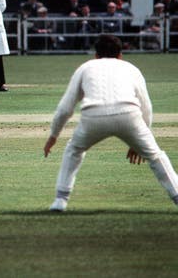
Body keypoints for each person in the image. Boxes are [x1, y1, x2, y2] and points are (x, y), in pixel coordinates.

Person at [44, 34, 178, 212]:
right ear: (120, 55)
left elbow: (65, 108)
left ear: (96, 55)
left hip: (93, 116)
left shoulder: (86, 67)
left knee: (73, 150)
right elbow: (146, 107)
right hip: (128, 114)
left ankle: (60, 200)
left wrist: (53, 136)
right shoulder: (131, 68)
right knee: (155, 156)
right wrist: (141, 138)